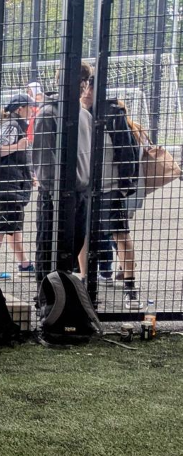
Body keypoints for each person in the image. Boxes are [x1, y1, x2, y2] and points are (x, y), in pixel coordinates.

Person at [81, 83, 140, 308]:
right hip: (84, 188)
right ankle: (86, 284)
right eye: (84, 87)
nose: (87, 92)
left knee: (121, 236)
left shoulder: (114, 115)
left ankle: (130, 287)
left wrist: (125, 185)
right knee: (84, 237)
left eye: (92, 88)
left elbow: (128, 151)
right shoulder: (74, 113)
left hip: (110, 187)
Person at [33, 64, 93, 280]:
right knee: (49, 251)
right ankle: (46, 300)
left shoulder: (85, 115)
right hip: (54, 196)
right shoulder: (48, 114)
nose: (82, 85)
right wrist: (56, 195)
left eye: (84, 80)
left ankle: (65, 297)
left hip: (81, 194)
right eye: (76, 80)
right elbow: (44, 161)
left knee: (73, 248)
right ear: (60, 82)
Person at [0, 94, 35, 279]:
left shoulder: (15, 124)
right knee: (1, 228)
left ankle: (24, 264)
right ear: (20, 108)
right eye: (29, 106)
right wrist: (17, 147)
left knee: (13, 226)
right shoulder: (12, 125)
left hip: (13, 183)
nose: (32, 110)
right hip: (8, 186)